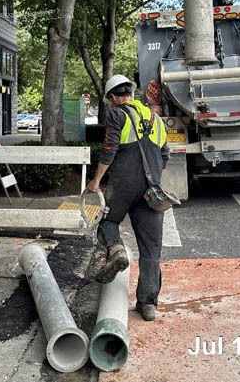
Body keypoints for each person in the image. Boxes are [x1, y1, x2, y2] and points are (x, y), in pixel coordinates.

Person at [87, 74, 169, 321]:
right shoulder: (155, 119)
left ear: (112, 97)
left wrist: (96, 181)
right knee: (151, 248)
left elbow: (109, 150)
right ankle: (148, 304)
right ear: (131, 95)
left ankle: (116, 251)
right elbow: (165, 155)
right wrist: (154, 180)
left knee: (107, 222)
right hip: (150, 189)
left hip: (123, 184)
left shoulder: (116, 114)